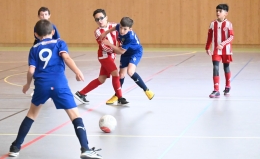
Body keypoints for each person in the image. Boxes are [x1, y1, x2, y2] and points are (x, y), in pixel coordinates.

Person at [8, 19, 102, 159]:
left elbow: (31, 70)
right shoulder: (59, 43)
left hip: (42, 85)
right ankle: (85, 148)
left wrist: (28, 84)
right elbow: (67, 58)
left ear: (35, 34)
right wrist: (77, 71)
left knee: (31, 115)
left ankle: (16, 147)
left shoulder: (34, 49)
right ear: (52, 32)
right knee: (75, 116)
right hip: (60, 84)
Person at [73, 9, 129, 105]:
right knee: (116, 74)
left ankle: (81, 93)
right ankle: (120, 97)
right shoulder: (98, 32)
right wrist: (117, 50)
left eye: (101, 18)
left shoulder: (115, 26)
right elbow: (105, 46)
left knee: (101, 79)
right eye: (97, 19)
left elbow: (124, 33)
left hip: (112, 56)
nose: (100, 21)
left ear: (106, 17)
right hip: (104, 56)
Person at [100, 17, 155, 101]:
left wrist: (109, 44)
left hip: (135, 52)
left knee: (130, 71)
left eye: (125, 29)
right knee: (121, 75)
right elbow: (116, 27)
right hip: (126, 52)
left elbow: (120, 52)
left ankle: (146, 90)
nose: (121, 31)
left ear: (130, 29)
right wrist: (106, 32)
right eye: (121, 28)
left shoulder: (130, 37)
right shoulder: (119, 27)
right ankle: (117, 95)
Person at [205, 4, 234, 98]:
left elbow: (231, 37)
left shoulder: (229, 24)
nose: (217, 13)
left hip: (226, 50)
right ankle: (216, 89)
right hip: (216, 50)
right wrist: (207, 47)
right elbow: (209, 37)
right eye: (217, 11)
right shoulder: (213, 24)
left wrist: (223, 44)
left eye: (220, 11)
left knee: (226, 67)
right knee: (215, 67)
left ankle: (227, 86)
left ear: (225, 13)